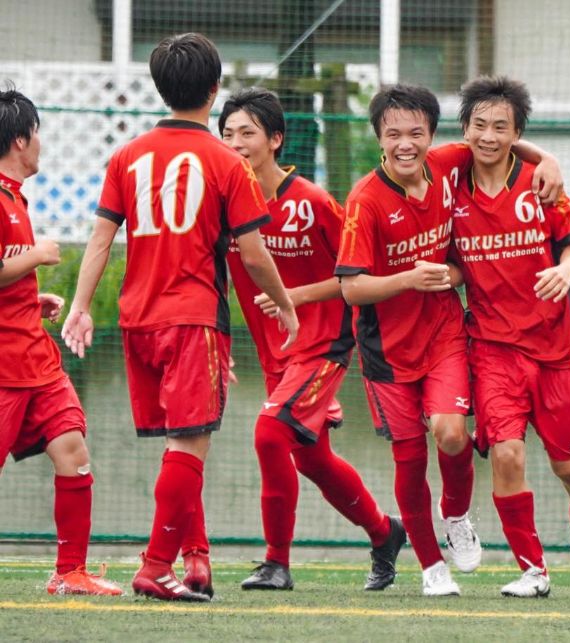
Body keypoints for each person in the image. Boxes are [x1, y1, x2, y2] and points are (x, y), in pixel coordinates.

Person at [62, 33, 298, 602]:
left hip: (137, 320)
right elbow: (253, 252)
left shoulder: (127, 155)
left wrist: (81, 306)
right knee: (190, 447)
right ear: (215, 91)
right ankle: (155, 565)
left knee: (180, 443)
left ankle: (195, 561)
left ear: (159, 87)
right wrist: (287, 306)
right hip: (192, 318)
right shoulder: (227, 162)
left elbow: (100, 240)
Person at [335, 83, 562, 596]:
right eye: (393, 134)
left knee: (452, 433)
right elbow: (351, 289)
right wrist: (410, 278)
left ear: (433, 137)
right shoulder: (364, 201)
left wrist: (549, 157)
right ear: (379, 140)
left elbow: (501, 142)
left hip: (443, 332)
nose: (405, 144)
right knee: (410, 458)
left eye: (416, 133)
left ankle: (455, 513)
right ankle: (432, 567)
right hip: (386, 351)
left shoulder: (449, 163)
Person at [218, 87, 406, 592]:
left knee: (267, 434)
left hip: (325, 343)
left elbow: (355, 273)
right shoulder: (226, 207)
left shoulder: (312, 202)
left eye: (247, 133)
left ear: (275, 139)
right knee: (313, 459)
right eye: (228, 133)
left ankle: (276, 562)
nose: (236, 143)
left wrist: (296, 297)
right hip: (276, 353)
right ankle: (385, 533)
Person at [447, 76, 570, 597]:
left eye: (501, 127)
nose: (488, 136)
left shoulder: (540, 182)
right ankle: (533, 570)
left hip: (559, 348)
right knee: (508, 455)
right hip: (492, 347)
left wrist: (566, 269)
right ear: (464, 128)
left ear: (516, 133)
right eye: (479, 125)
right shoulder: (450, 187)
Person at [0, 88, 122, 597]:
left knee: (73, 450)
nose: (41, 144)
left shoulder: (13, 197)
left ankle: (70, 572)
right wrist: (37, 256)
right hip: (5, 369)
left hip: (37, 360)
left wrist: (34, 297)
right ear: (22, 139)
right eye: (38, 133)